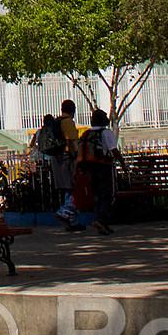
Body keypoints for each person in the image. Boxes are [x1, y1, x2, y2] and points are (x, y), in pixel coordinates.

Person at [77, 109, 117, 234]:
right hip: (103, 166)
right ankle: (101, 220)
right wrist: (123, 165)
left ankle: (101, 222)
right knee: (108, 194)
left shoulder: (86, 133)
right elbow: (113, 150)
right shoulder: (106, 132)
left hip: (89, 167)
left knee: (96, 194)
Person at [48, 99, 80, 227]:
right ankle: (65, 211)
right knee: (72, 186)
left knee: (67, 187)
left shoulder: (56, 122)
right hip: (67, 158)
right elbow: (71, 141)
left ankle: (72, 221)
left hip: (57, 158)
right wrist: (76, 157)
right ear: (73, 110)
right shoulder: (68, 122)